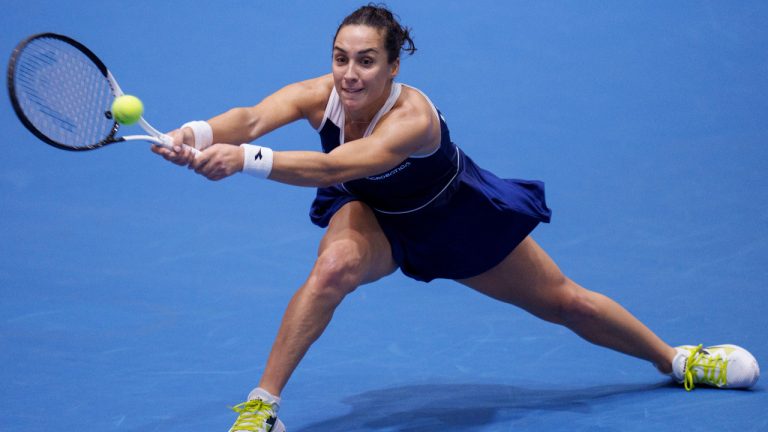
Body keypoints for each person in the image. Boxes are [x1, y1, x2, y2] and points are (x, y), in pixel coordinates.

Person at [152, 5, 760, 432]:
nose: (350, 73)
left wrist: (243, 162)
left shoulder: (411, 119)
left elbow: (335, 165)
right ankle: (263, 405)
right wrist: (197, 132)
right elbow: (252, 117)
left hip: (453, 219)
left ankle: (676, 359)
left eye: (366, 61)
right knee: (333, 268)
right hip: (376, 218)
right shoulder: (323, 93)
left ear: (394, 67)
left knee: (567, 303)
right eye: (341, 58)